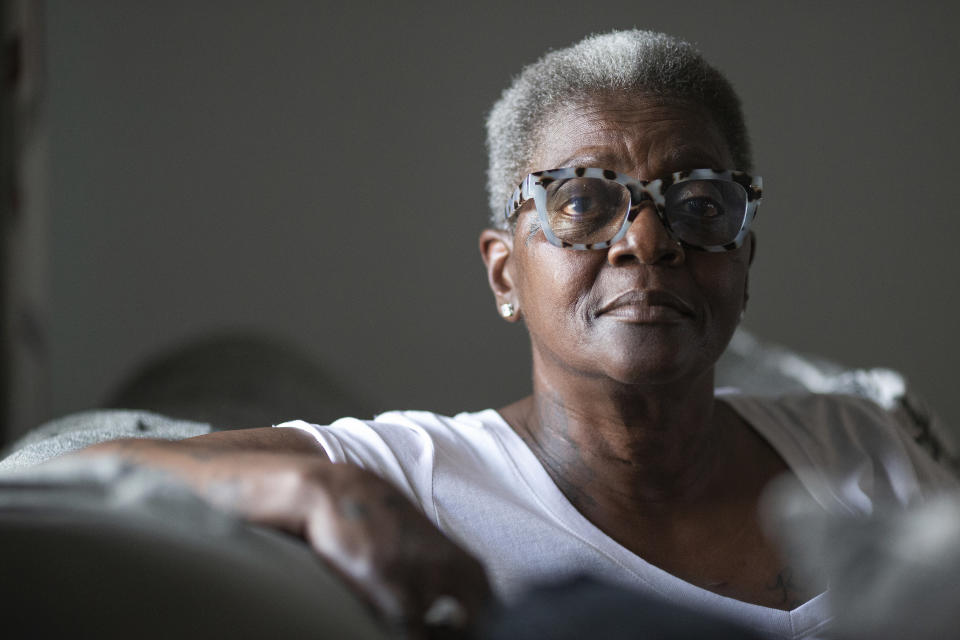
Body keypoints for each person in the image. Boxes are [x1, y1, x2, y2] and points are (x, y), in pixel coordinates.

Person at [77, 30, 957, 639]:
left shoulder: (863, 438)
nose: (646, 241)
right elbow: (62, 472)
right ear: (505, 273)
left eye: (698, 204)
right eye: (583, 201)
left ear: (743, 259)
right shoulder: (417, 475)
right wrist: (318, 496)